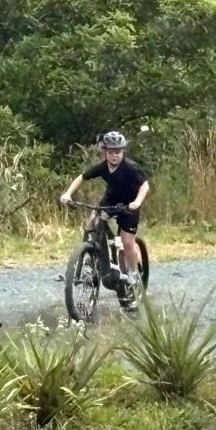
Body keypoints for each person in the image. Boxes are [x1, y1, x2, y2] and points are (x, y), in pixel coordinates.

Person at [60, 130, 150, 308]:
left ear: (123, 152)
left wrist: (137, 202)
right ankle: (89, 253)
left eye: (118, 152)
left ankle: (134, 275)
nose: (115, 155)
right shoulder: (102, 167)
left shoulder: (130, 167)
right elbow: (82, 177)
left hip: (129, 204)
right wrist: (68, 193)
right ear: (105, 152)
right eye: (111, 152)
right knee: (93, 220)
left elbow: (145, 185)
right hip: (110, 200)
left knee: (127, 242)